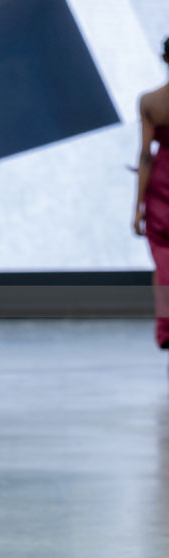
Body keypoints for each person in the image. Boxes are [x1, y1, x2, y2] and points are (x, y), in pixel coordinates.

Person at [133, 35, 169, 350]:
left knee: (164, 263)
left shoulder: (150, 101)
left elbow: (145, 155)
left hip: (161, 183)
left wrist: (137, 208)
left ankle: (167, 329)